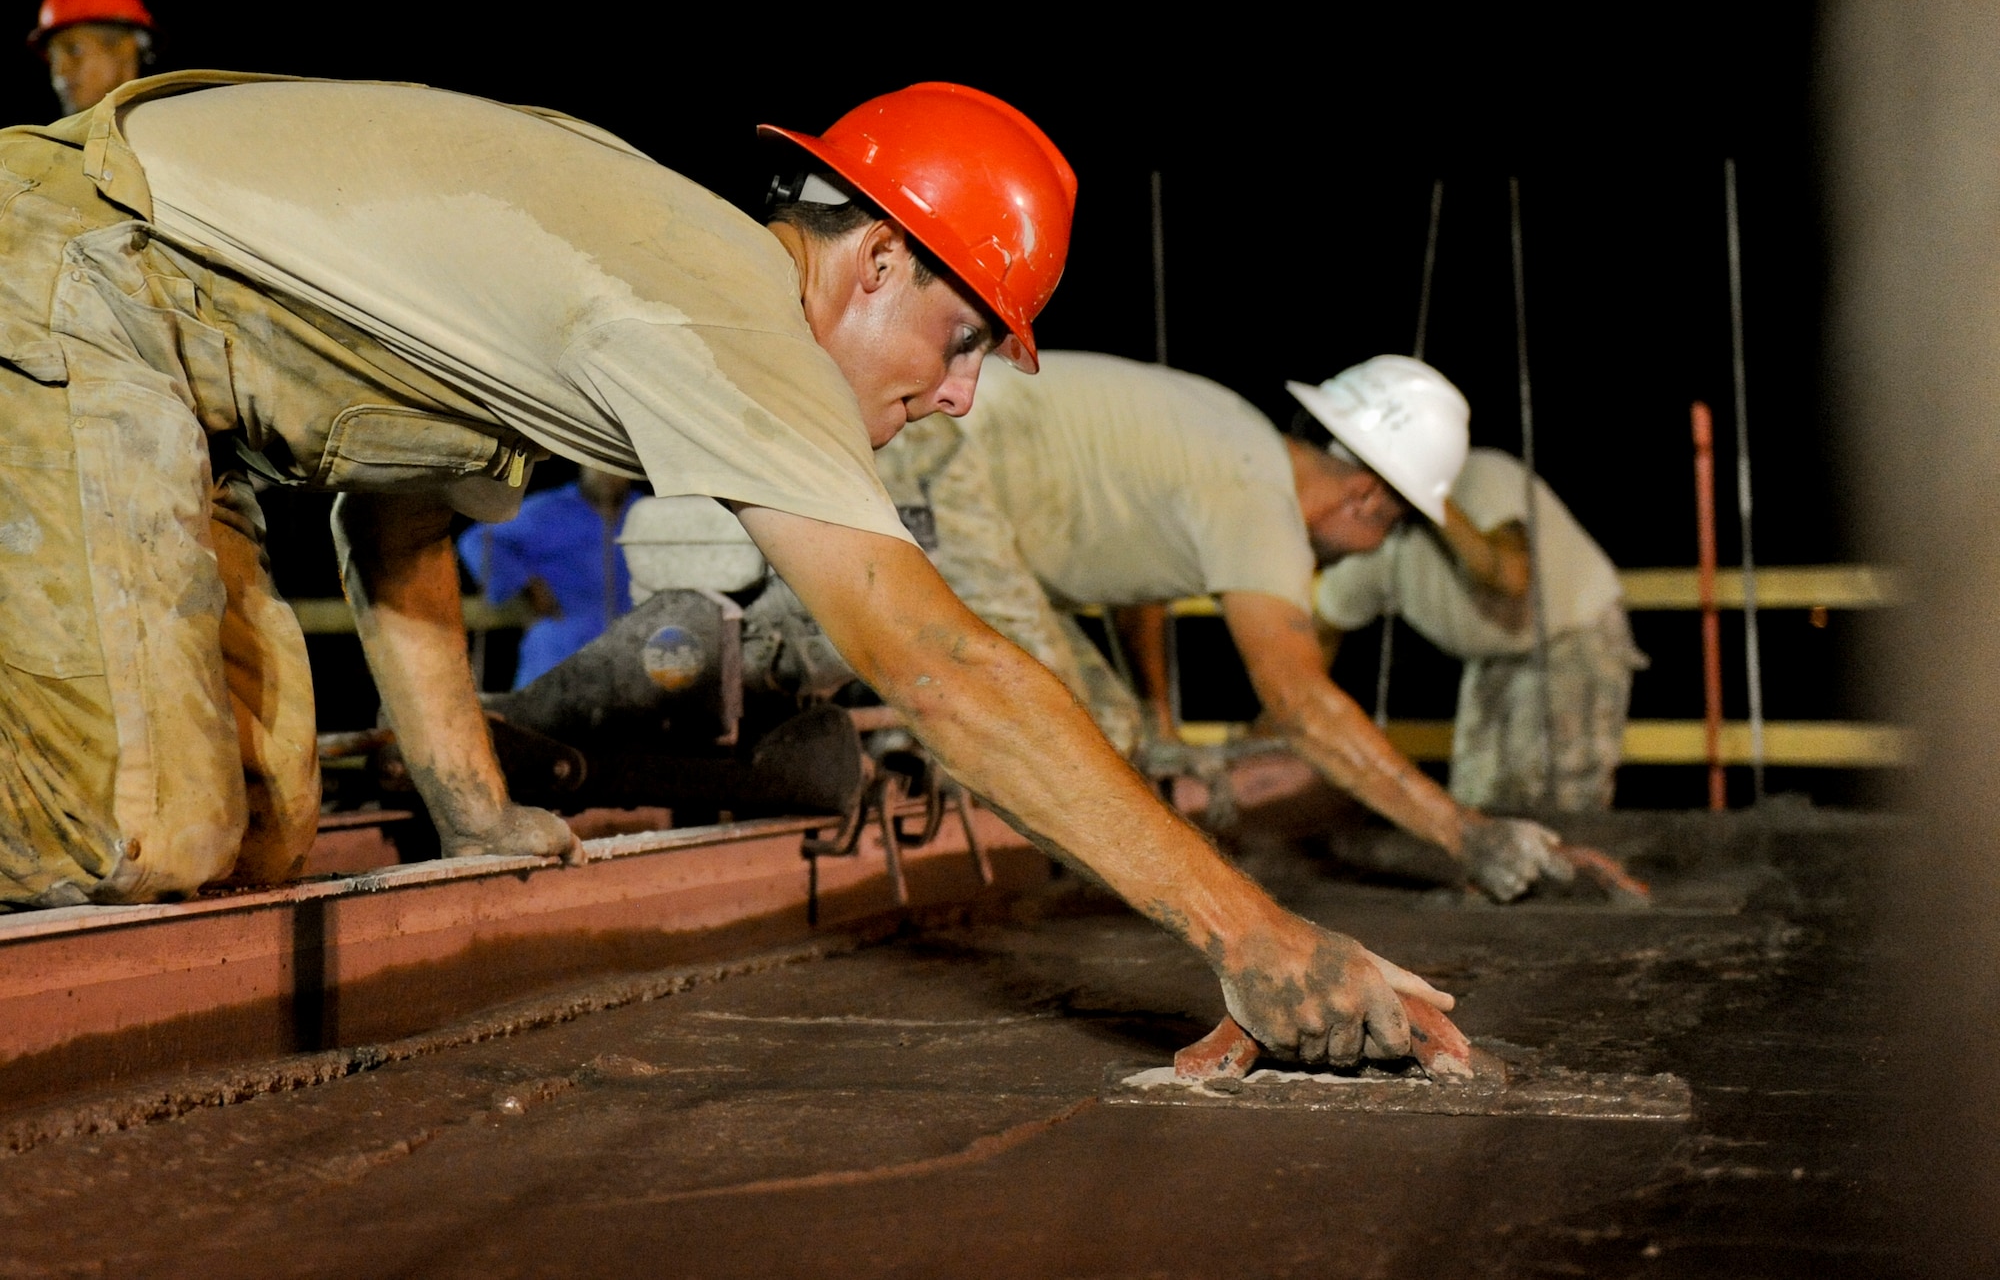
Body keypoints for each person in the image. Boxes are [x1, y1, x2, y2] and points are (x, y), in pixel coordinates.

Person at [0, 74, 1444, 1070]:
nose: (958, 396)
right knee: (143, 835)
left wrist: (472, 807)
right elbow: (931, 660)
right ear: (875, 261)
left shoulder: (654, 265)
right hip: (70, 271)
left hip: (173, 378)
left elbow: (396, 506)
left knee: (252, 836)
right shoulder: (730, 306)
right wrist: (1249, 931)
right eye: (963, 342)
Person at [874, 351, 1574, 903]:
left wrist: (1154, 721)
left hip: (958, 458)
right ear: (1367, 498)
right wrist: (1464, 831)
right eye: (1388, 534)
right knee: (1052, 725)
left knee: (1107, 734)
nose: (1369, 554)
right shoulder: (1258, 499)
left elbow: (1135, 585)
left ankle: (927, 740)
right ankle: (898, 746)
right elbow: (1298, 702)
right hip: (942, 457)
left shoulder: (1233, 445)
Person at [1313, 447, 1645, 811]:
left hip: (1573, 635)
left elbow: (1510, 577)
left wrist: (1427, 497)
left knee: (1555, 805)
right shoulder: (1372, 538)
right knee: (1477, 805)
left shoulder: (1482, 475)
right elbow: (1321, 633)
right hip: (1491, 656)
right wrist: (1277, 732)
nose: (1361, 501)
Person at [458, 466, 637, 687]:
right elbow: (477, 540)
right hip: (559, 648)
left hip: (629, 655)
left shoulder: (644, 513)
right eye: (597, 465)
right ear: (582, 464)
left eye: (616, 467)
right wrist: (525, 581)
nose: (608, 475)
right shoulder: (550, 509)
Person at [27, 0, 153, 116]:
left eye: (74, 50)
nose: (59, 71)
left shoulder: (174, 129)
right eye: (53, 57)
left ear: (124, 49)